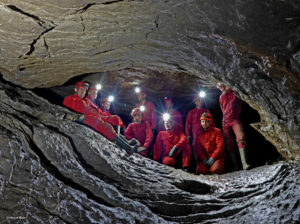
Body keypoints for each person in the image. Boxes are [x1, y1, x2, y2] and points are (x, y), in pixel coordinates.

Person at [63, 81, 137, 154]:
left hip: (89, 117)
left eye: (85, 90)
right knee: (105, 126)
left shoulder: (83, 101)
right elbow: (67, 110)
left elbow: (88, 110)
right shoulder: (70, 98)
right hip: (82, 118)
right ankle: (127, 148)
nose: (83, 92)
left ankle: (127, 147)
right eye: (81, 90)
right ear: (76, 89)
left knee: (108, 125)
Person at [217, 83, 251, 170]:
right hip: (225, 121)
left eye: (223, 86)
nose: (222, 88)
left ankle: (245, 164)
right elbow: (222, 110)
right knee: (229, 143)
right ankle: (236, 166)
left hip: (234, 119)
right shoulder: (221, 97)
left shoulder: (235, 93)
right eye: (220, 87)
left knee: (241, 138)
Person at [185, 94, 211, 161]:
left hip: (205, 134)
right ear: (195, 102)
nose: (200, 102)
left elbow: (212, 123)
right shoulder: (191, 112)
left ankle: (208, 165)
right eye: (198, 100)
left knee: (206, 148)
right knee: (195, 148)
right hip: (195, 135)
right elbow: (187, 124)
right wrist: (188, 134)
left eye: (201, 100)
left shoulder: (206, 111)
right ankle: (198, 166)